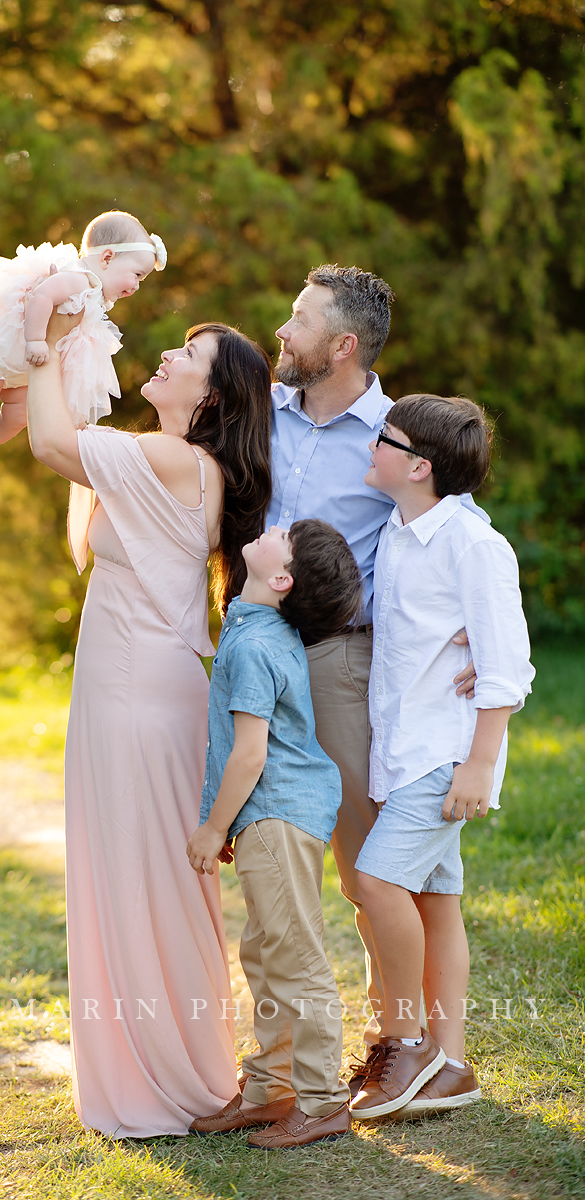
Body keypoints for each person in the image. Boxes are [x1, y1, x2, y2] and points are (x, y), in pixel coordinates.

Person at [26, 307, 273, 1138]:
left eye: (190, 354)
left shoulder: (170, 457)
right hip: (136, 685)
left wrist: (39, 338)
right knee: (149, 874)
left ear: (215, 397)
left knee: (136, 873)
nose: (167, 353)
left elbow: (52, 444)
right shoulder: (175, 462)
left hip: (134, 692)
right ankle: (174, 1058)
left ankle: (158, 1074)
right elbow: (71, 453)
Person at [267, 265, 483, 1074]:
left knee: (369, 873)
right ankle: (336, 1046)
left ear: (344, 345)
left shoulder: (397, 436)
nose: (282, 331)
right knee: (273, 861)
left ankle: (397, 1042)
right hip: (254, 654)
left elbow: (459, 532)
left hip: (341, 665)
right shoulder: (263, 413)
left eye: (300, 319)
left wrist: (470, 633)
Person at [349, 395, 534, 1120]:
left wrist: (480, 764)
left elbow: (507, 666)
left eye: (383, 439)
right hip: (402, 749)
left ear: (419, 466)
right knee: (435, 898)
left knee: (374, 883)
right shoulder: (400, 531)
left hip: (444, 754)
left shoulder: (475, 546)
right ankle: (452, 1065)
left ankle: (409, 1042)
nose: (372, 445)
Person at [186, 520, 363, 1148]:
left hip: (276, 810)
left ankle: (321, 1100)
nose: (273, 526)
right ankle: (271, 1087)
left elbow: (249, 755)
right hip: (272, 813)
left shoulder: (255, 645)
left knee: (296, 957)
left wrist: (212, 827)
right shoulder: (254, 627)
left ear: (280, 578)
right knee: (266, 952)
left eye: (283, 535)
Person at [0, 210, 165, 475]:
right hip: (5, 351)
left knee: (18, 418)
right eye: (137, 275)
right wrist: (34, 340)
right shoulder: (78, 279)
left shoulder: (95, 298)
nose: (137, 286)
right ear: (107, 257)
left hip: (28, 368)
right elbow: (41, 296)